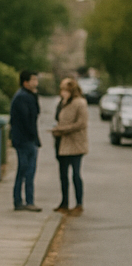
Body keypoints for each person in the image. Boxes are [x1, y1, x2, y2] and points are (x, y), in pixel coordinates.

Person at [51, 76, 89, 215]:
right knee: (63, 174)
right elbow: (57, 117)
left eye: (66, 90)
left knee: (76, 174)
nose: (63, 93)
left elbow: (81, 123)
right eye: (62, 90)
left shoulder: (80, 103)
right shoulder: (62, 103)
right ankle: (64, 202)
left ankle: (79, 203)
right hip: (61, 142)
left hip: (75, 143)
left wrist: (63, 129)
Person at [10, 69, 41, 211]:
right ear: (25, 82)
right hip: (25, 140)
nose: (36, 82)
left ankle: (22, 200)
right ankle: (26, 201)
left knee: (25, 170)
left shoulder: (28, 96)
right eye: (33, 80)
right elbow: (27, 119)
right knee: (27, 170)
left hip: (26, 139)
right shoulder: (23, 97)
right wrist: (34, 137)